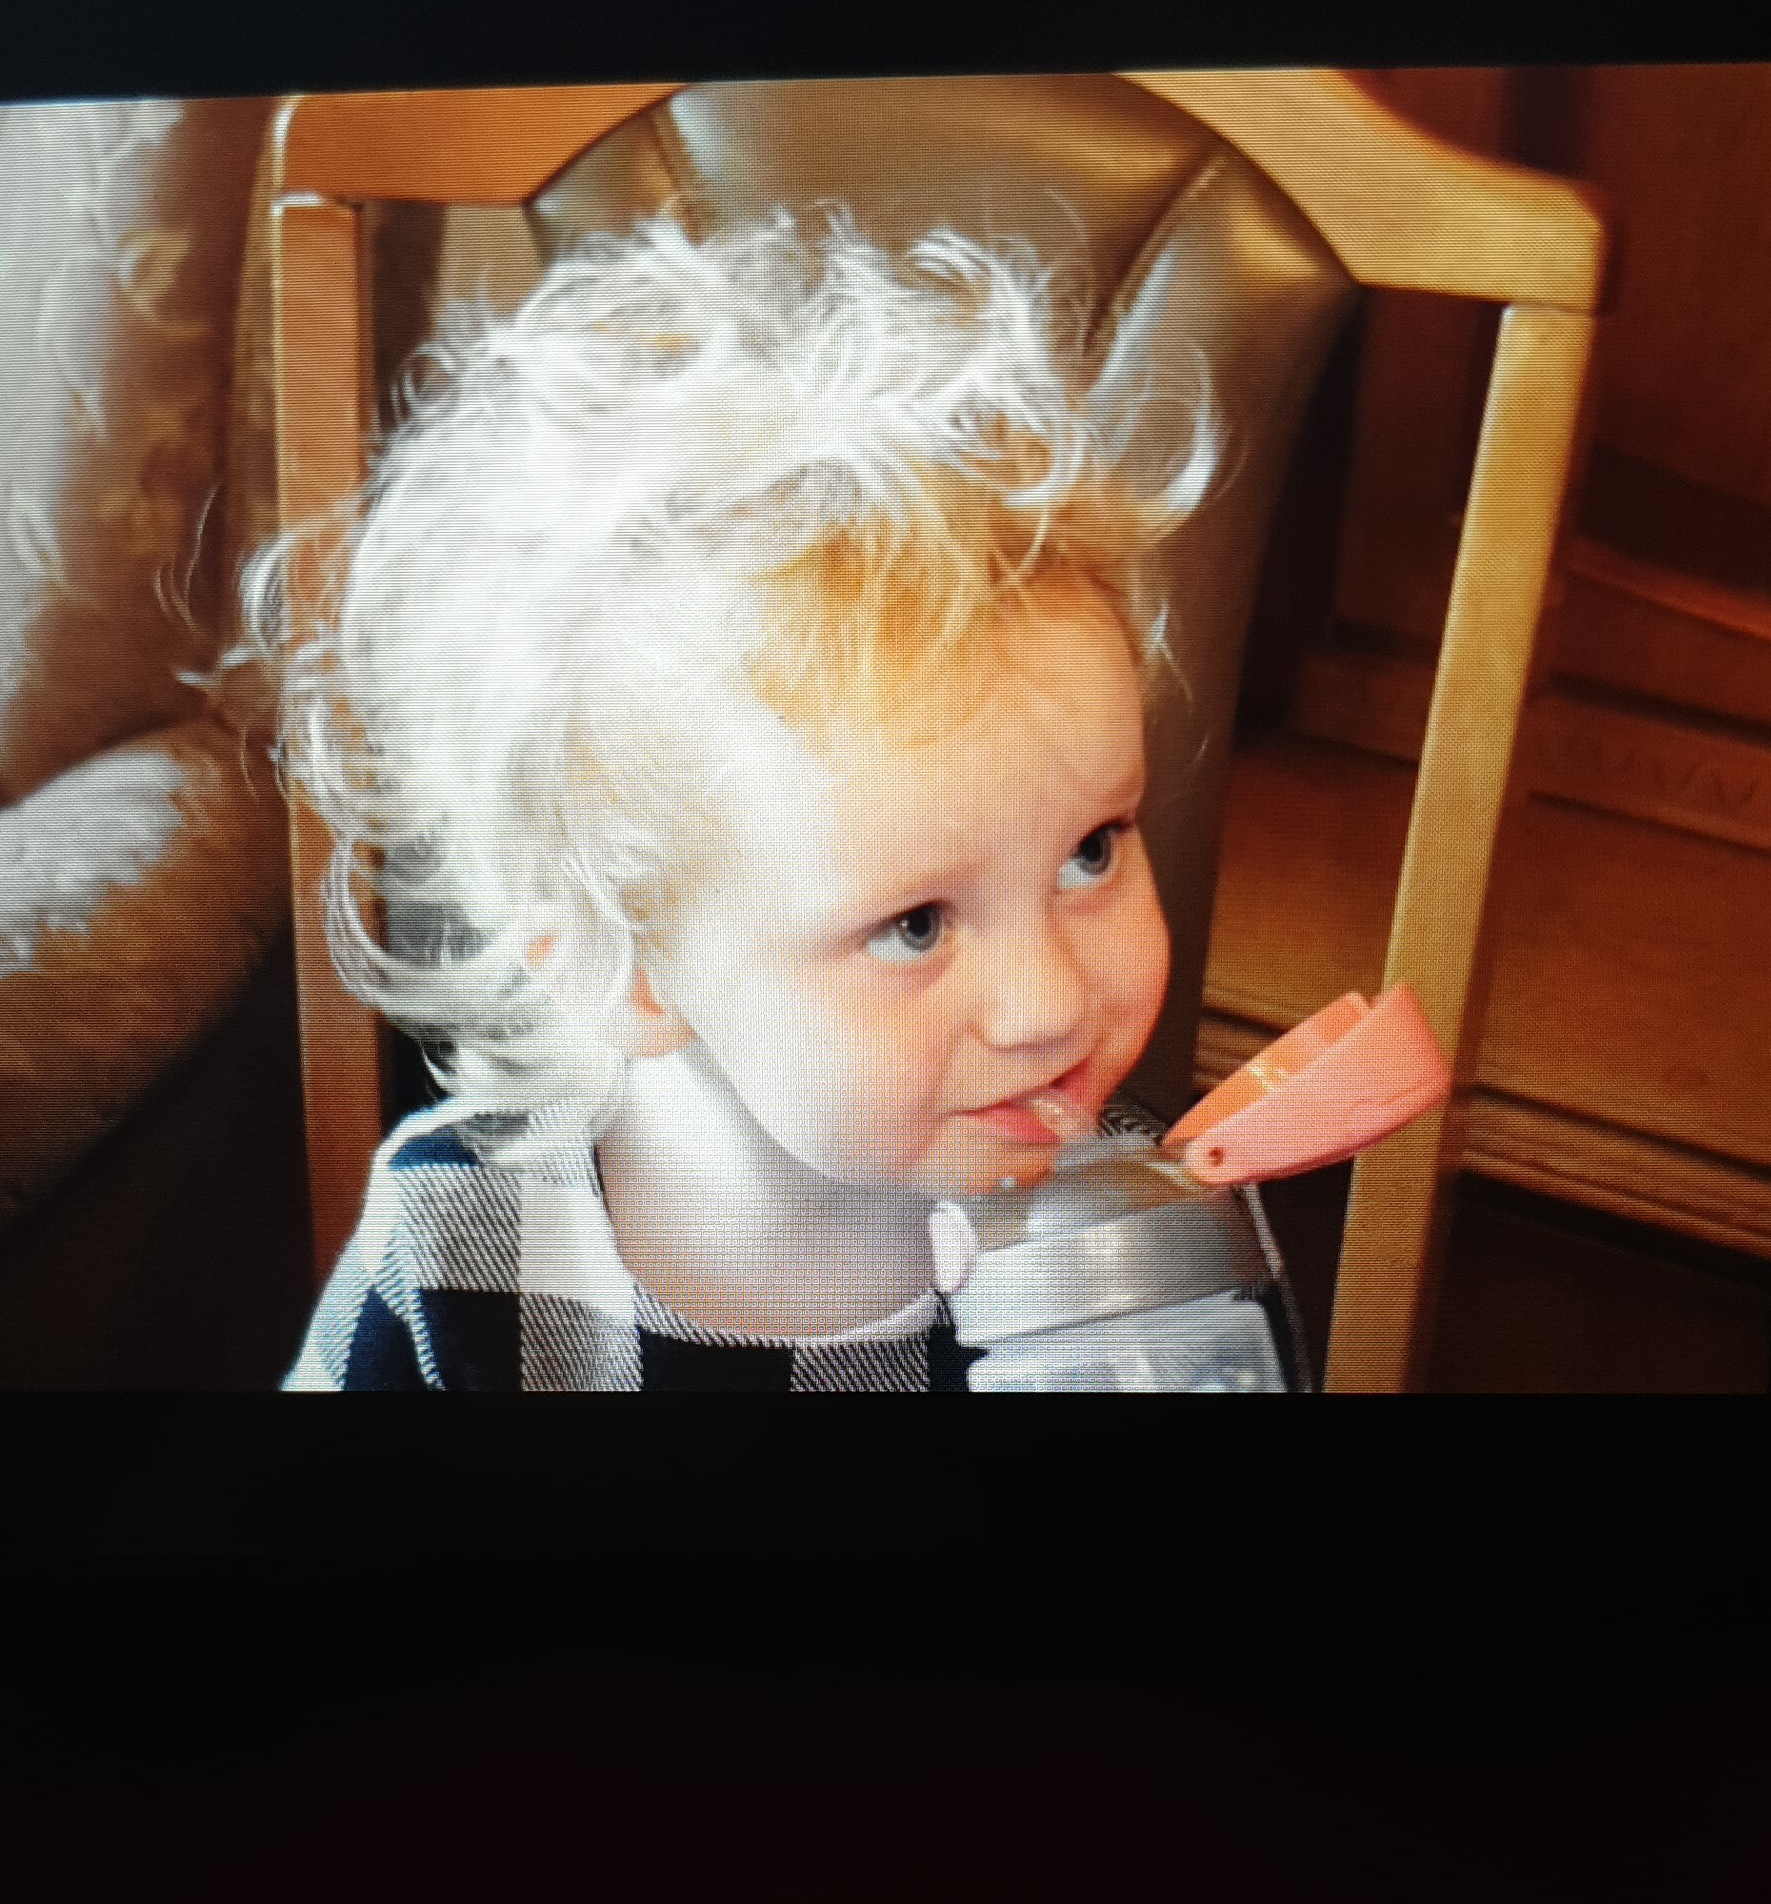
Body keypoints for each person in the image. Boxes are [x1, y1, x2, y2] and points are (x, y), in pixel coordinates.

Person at [274, 206, 1224, 1391]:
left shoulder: (1148, 1251)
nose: (1050, 1006)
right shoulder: (457, 1252)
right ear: (629, 970)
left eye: (1091, 852)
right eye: (914, 925)